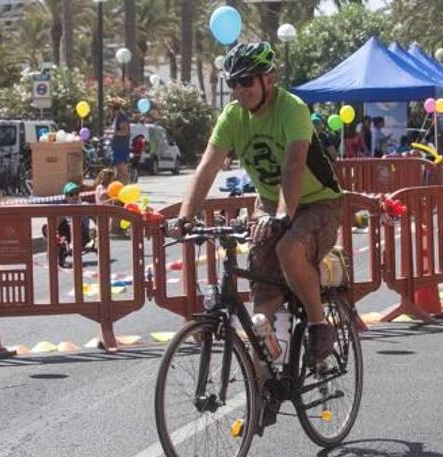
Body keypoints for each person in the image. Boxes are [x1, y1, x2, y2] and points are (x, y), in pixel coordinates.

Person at [166, 42, 344, 364]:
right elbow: (206, 169)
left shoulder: (292, 109)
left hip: (319, 203)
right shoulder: (232, 117)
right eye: (233, 82)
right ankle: (262, 390)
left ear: (269, 78)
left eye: (246, 80)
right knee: (261, 301)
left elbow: (293, 167)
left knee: (288, 249)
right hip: (271, 203)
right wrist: (184, 218)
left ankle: (319, 324)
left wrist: (281, 215)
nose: (239, 89)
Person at [108, 97, 131, 184]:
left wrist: (112, 133)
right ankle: (122, 190)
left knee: (122, 171)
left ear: (113, 108)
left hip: (121, 147)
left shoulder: (121, 116)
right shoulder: (117, 116)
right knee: (119, 171)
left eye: (109, 108)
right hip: (117, 147)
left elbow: (124, 132)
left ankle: (126, 190)